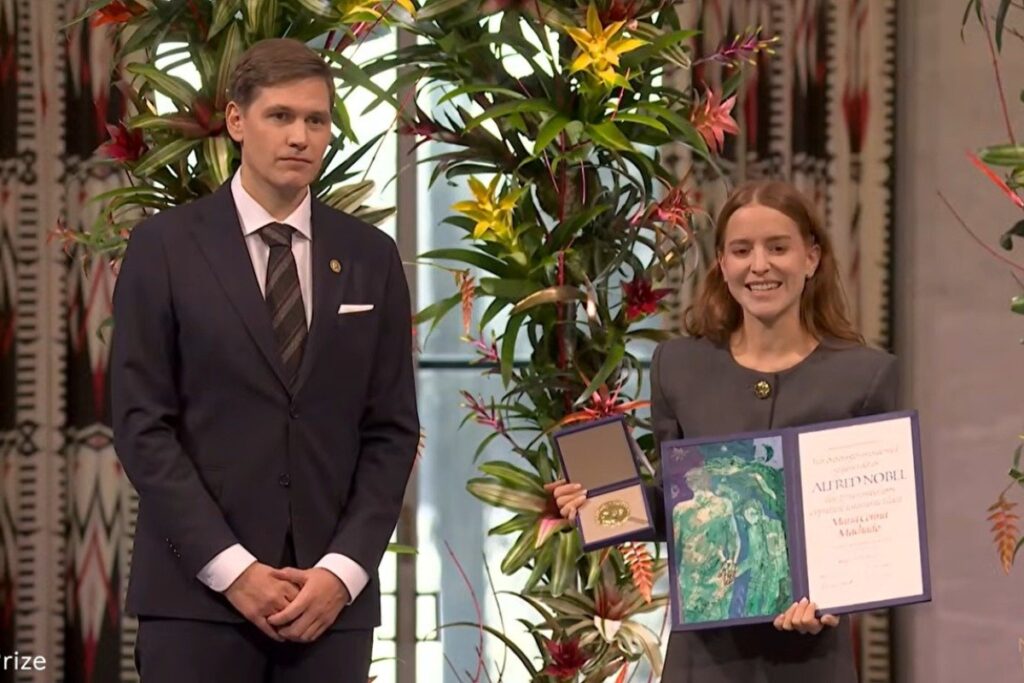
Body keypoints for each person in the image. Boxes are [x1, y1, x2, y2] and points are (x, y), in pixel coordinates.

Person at [110, 38, 419, 682]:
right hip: (196, 604)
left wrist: (342, 573)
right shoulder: (163, 247)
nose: (301, 136)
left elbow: (391, 431)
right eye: (281, 116)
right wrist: (234, 571)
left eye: (317, 119)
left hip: (328, 608)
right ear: (236, 121)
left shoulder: (370, 256)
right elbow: (143, 426)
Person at [548, 179, 897, 681]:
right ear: (723, 264)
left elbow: (878, 524)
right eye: (741, 250)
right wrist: (596, 503)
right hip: (705, 661)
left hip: (813, 659)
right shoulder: (679, 366)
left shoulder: (865, 376)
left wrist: (837, 597)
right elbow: (679, 503)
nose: (760, 265)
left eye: (778, 247)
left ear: (811, 258)